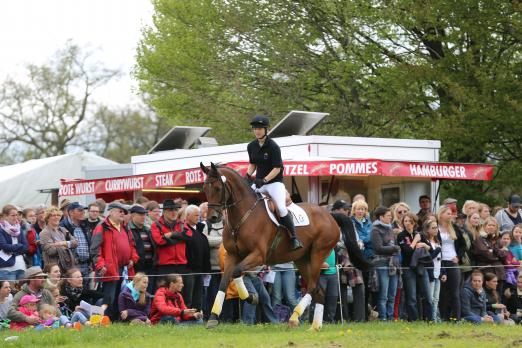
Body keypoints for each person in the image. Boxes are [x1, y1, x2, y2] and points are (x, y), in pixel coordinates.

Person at [245, 115, 302, 250]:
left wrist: (264, 180)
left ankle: (294, 238)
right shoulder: (251, 146)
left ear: (265, 129)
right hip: (259, 182)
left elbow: (277, 168)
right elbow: (252, 164)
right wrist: (247, 175)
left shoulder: (273, 146)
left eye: (259, 128)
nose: (257, 131)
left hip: (274, 183)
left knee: (281, 208)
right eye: (255, 129)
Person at [90, 201, 139, 320]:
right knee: (109, 297)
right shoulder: (102, 227)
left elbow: (132, 245)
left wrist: (133, 259)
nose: (123, 213)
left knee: (122, 296)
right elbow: (95, 249)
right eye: (120, 211)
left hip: (125, 268)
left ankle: (118, 320)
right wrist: (101, 265)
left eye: (124, 212)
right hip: (109, 269)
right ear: (111, 212)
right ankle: (105, 319)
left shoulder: (125, 227)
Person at [397, 212, 433, 321]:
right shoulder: (401, 235)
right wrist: (415, 241)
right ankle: (413, 319)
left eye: (410, 221)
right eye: (405, 221)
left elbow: (431, 249)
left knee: (428, 296)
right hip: (408, 268)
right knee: (411, 296)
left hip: (421, 267)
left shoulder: (420, 234)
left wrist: (423, 244)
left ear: (414, 222)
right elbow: (407, 251)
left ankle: (430, 319)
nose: (407, 223)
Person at [151, 199, 192, 286]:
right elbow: (160, 241)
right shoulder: (156, 225)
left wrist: (171, 234)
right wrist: (180, 237)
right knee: (163, 292)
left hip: (181, 265)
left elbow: (189, 236)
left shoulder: (181, 223)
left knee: (180, 294)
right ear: (164, 211)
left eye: (175, 210)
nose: (174, 212)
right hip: (165, 266)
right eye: (170, 210)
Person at [371, 206, 400, 321]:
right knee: (383, 294)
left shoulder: (390, 229)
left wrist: (393, 248)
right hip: (382, 264)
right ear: (381, 217)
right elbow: (378, 248)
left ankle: (391, 316)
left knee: (392, 293)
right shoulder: (375, 229)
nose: (391, 218)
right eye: (388, 216)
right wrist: (394, 248)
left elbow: (393, 246)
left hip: (393, 264)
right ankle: (383, 318)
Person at [437, 205, 465, 321]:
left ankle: (457, 318)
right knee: (443, 292)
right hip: (440, 262)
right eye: (448, 213)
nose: (451, 215)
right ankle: (444, 317)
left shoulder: (454, 227)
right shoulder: (435, 228)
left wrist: (458, 256)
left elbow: (463, 244)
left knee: (455, 292)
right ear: (441, 214)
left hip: (453, 262)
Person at [183, 204, 210, 311]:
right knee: (188, 297)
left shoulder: (199, 232)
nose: (197, 218)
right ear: (188, 215)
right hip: (188, 269)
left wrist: (206, 269)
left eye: (198, 215)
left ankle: (197, 318)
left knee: (199, 297)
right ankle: (186, 318)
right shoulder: (184, 230)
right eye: (195, 215)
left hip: (200, 270)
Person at [473, 217, 507, 294]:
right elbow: (487, 255)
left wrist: (494, 250)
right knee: (488, 296)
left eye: (493, 225)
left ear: (496, 228)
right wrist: (498, 253)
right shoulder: (479, 239)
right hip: (487, 272)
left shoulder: (499, 239)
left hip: (500, 273)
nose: (491, 227)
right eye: (489, 225)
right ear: (484, 226)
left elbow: (505, 256)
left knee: (499, 297)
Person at [40, 206, 78, 272]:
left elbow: (76, 243)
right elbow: (51, 251)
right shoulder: (45, 233)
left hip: (67, 266)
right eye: (53, 215)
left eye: (58, 215)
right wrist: (68, 245)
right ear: (48, 218)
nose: (56, 217)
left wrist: (63, 243)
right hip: (54, 269)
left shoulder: (63, 230)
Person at [60, 202, 91, 281]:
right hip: (72, 266)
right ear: (71, 212)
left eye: (84, 210)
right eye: (80, 210)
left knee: (85, 292)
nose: (83, 212)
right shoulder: (62, 226)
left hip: (86, 264)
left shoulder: (85, 225)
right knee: (73, 290)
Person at [421, 219, 445, 322]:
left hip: (438, 272)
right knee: (430, 298)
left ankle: (434, 318)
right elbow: (428, 258)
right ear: (427, 230)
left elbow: (441, 259)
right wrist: (437, 250)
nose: (436, 230)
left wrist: (444, 272)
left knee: (436, 299)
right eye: (433, 228)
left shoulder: (437, 241)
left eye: (436, 228)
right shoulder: (425, 242)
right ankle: (429, 318)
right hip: (430, 273)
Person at [127, 205, 155, 293]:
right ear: (132, 215)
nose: (143, 217)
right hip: (136, 268)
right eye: (140, 215)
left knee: (149, 293)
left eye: (144, 215)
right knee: (136, 293)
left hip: (150, 267)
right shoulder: (128, 229)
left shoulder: (148, 229)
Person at [0, 204, 28, 281]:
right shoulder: (1, 230)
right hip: (6, 268)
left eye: (16, 215)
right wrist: (19, 246)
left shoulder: (19, 229)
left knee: (20, 292)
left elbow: (26, 247)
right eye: (13, 215)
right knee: (10, 292)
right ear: (5, 216)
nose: (16, 217)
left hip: (21, 266)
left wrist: (13, 248)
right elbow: (4, 246)